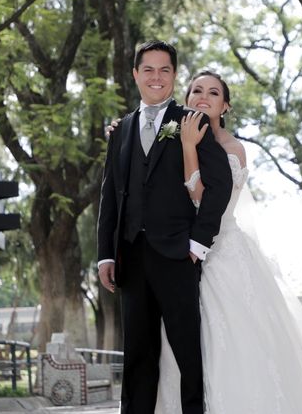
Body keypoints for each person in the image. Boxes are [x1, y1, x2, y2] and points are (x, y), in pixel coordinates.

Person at [112, 70, 302, 414]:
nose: (203, 97)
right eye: (196, 90)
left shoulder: (231, 148)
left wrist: (188, 148)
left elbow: (205, 202)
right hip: (173, 256)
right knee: (172, 346)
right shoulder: (168, 136)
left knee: (234, 347)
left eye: (213, 93)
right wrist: (120, 137)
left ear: (224, 106)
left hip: (221, 255)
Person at [97, 41, 234, 414]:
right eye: (148, 70)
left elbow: (219, 186)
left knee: (188, 355)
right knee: (138, 358)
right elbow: (111, 194)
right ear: (135, 74)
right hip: (131, 257)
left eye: (165, 70)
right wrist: (105, 254)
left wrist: (198, 244)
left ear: (174, 75)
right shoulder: (121, 129)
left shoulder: (193, 121)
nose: (156, 77)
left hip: (178, 254)